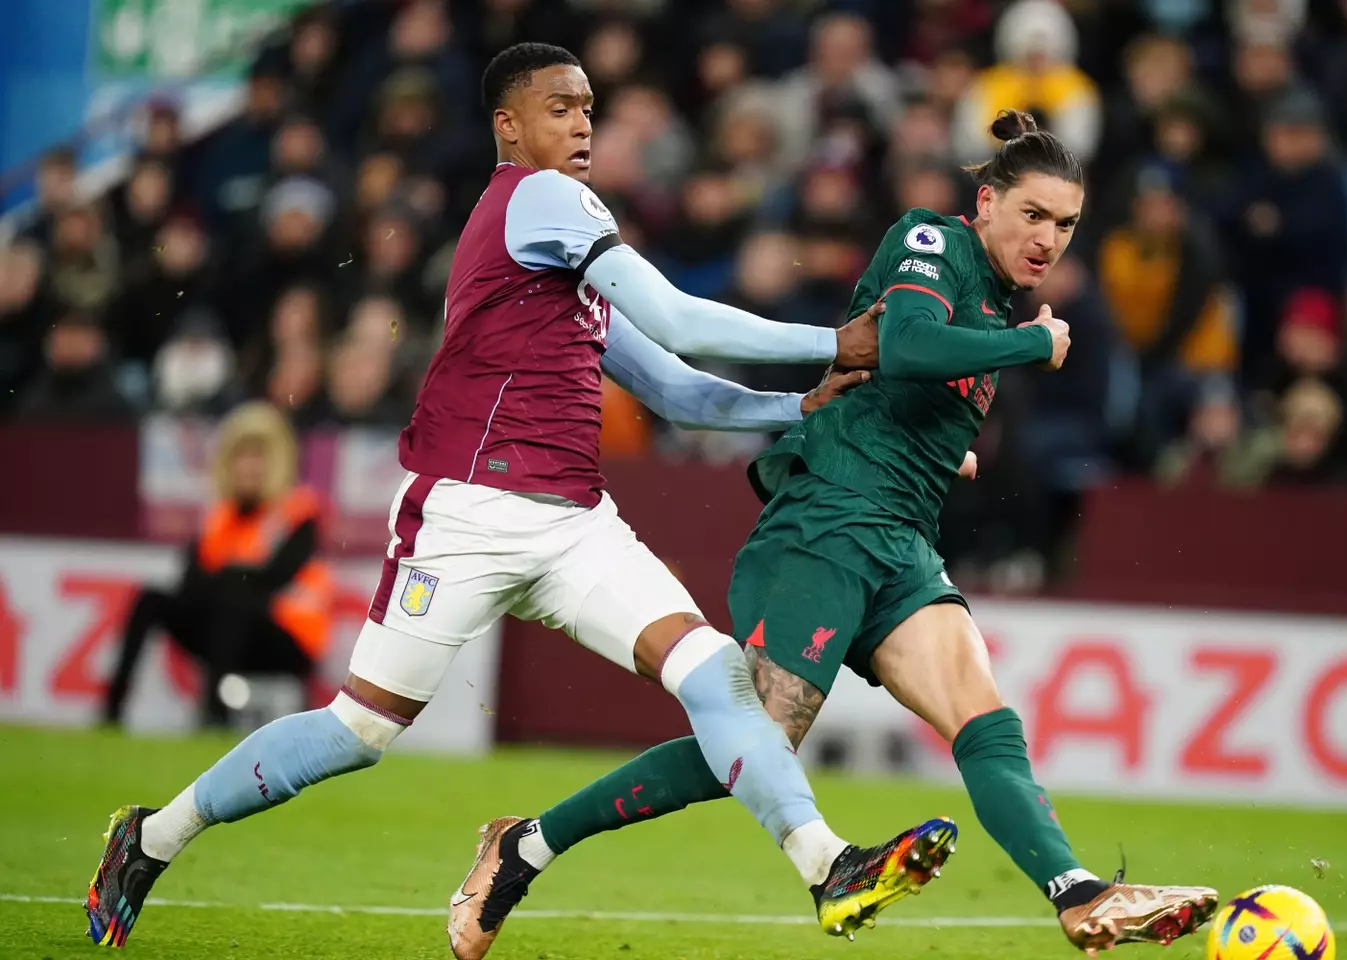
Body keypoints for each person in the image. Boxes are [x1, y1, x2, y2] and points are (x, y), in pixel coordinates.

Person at [84, 43, 956, 951]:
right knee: (359, 730)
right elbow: (684, 320)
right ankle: (150, 837)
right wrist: (844, 343)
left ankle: (827, 866)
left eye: (588, 107)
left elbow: (677, 390)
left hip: (575, 523)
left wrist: (801, 406)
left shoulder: (569, 254)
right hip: (465, 511)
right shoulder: (543, 200)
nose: (582, 124)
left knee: (714, 673)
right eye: (560, 108)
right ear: (509, 126)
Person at [458, 110, 1219, 958]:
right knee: (755, 745)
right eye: (1033, 214)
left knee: (984, 718)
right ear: (988, 200)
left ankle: (1076, 891)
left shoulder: (1000, 310)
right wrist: (1032, 345)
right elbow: (905, 339)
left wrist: (946, 454)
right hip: (824, 521)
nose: (1048, 239)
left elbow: (909, 396)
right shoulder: (933, 241)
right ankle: (524, 847)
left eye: (1067, 224)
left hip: (900, 540)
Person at [102, 402, 332, 728]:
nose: (249, 467)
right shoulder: (218, 517)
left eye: (259, 457)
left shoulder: (298, 513)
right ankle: (111, 711)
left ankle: (212, 717)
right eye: (242, 456)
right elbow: (189, 583)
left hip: (287, 638)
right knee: (151, 598)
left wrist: (224, 577)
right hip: (224, 628)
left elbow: (274, 579)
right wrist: (224, 579)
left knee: (232, 600)